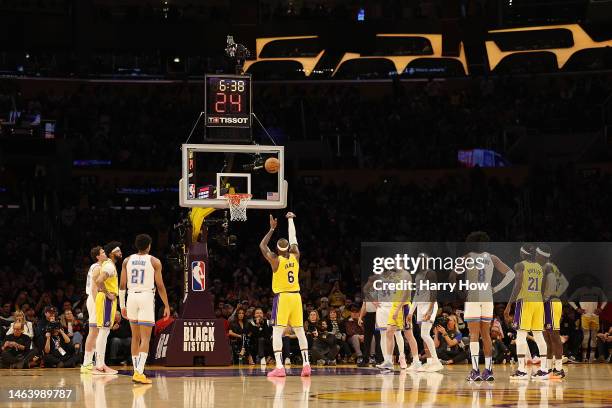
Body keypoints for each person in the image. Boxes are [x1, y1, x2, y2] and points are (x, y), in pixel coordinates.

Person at [456, 232, 514, 381]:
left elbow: (451, 276)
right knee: (486, 334)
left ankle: (475, 371)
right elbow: (511, 275)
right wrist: (495, 289)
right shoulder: (492, 257)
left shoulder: (467, 257)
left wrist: (460, 291)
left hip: (473, 296)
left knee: (474, 335)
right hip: (488, 296)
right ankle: (488, 371)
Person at [260, 212, 311, 377]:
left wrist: (271, 229)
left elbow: (262, 246)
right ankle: (306, 365)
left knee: (276, 331)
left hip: (282, 297)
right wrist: (290, 220)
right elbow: (294, 239)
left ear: (277, 249)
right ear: (288, 248)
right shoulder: (295, 256)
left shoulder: (275, 260)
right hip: (296, 296)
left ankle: (280, 367)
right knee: (300, 330)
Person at [119, 234, 170, 384]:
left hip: (131, 297)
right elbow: (160, 285)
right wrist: (166, 305)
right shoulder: (154, 261)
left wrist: (122, 305)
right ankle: (139, 372)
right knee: (145, 338)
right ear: (149, 246)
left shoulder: (127, 260)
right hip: (146, 297)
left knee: (135, 337)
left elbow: (122, 285)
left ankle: (136, 371)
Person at [504, 243, 549, 380]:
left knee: (521, 335)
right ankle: (544, 369)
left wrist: (509, 304)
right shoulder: (540, 268)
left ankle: (522, 370)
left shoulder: (520, 265)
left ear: (523, 253)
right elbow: (542, 289)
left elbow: (518, 284)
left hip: (525, 302)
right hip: (538, 302)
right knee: (538, 335)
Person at [537, 244, 568, 378]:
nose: (536, 257)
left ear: (541, 256)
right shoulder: (551, 266)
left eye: (537, 255)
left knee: (554, 336)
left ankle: (559, 369)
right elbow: (565, 283)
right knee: (547, 337)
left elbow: (561, 284)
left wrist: (550, 295)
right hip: (548, 303)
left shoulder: (548, 267)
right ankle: (549, 368)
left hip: (550, 303)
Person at [408, 255, 443, 372]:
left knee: (425, 334)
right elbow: (416, 295)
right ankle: (429, 362)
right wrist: (410, 312)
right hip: (420, 307)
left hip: (429, 305)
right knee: (423, 336)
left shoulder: (430, 273)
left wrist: (430, 310)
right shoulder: (417, 275)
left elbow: (434, 292)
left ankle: (436, 361)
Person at [93, 241, 122, 375]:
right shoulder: (109, 265)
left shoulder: (107, 264)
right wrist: (107, 293)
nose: (120, 252)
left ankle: (100, 364)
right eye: (117, 250)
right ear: (112, 253)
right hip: (106, 299)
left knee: (104, 332)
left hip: (106, 299)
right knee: (103, 332)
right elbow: (99, 281)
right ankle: (99, 365)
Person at [568, 276, 607, 363]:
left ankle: (592, 358)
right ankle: (584, 357)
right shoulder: (580, 290)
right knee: (586, 337)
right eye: (586, 280)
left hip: (595, 316)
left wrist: (601, 308)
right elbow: (570, 300)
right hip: (585, 316)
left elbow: (605, 300)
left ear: (592, 281)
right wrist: (577, 309)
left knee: (593, 337)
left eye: (590, 280)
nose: (588, 281)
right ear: (584, 282)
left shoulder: (598, 290)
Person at [81, 246, 107, 373]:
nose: (105, 253)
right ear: (98, 256)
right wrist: (98, 304)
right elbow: (93, 288)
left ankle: (90, 362)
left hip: (92, 299)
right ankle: (86, 363)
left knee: (95, 332)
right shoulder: (97, 267)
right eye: (102, 252)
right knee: (93, 332)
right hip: (94, 299)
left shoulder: (94, 266)